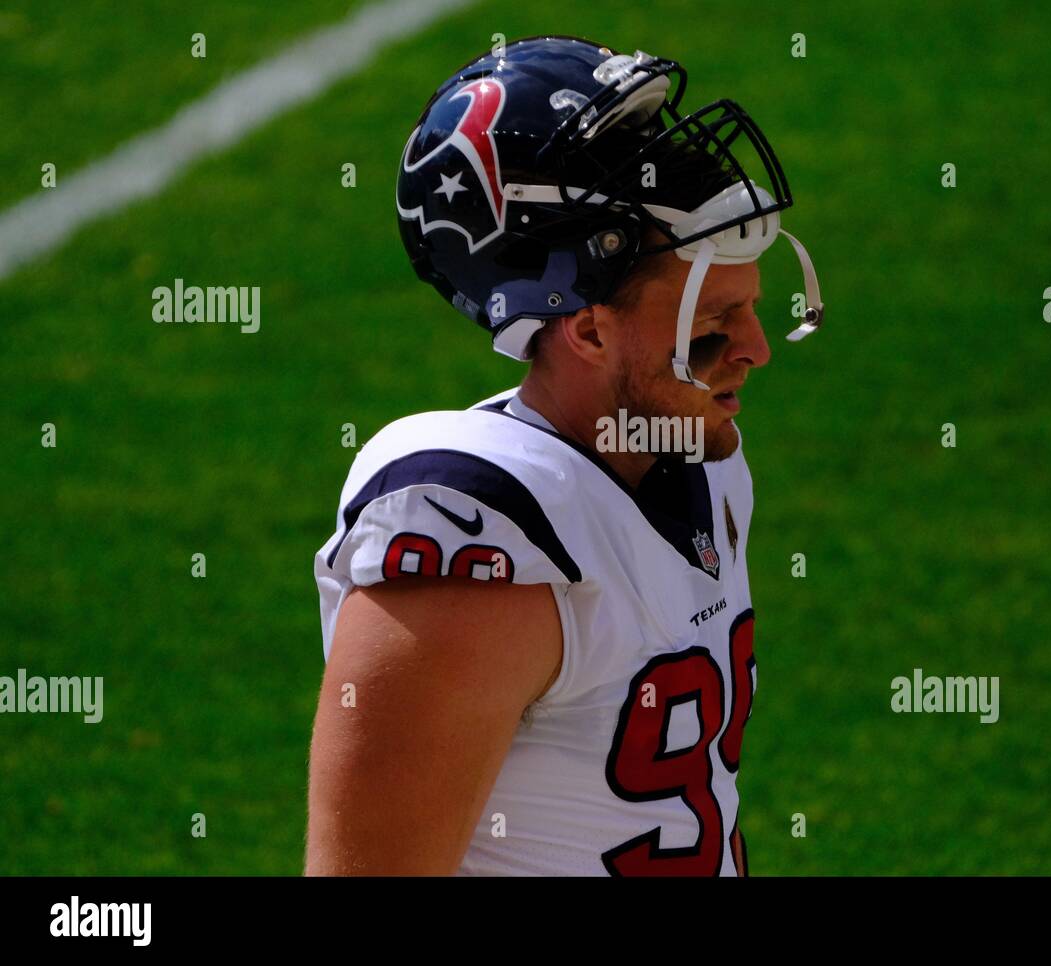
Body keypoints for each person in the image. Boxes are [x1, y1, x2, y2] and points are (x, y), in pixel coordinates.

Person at [306, 35, 823, 876]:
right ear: (585, 328)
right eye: (712, 324)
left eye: (753, 306)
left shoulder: (698, 460)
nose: (757, 350)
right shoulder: (474, 540)